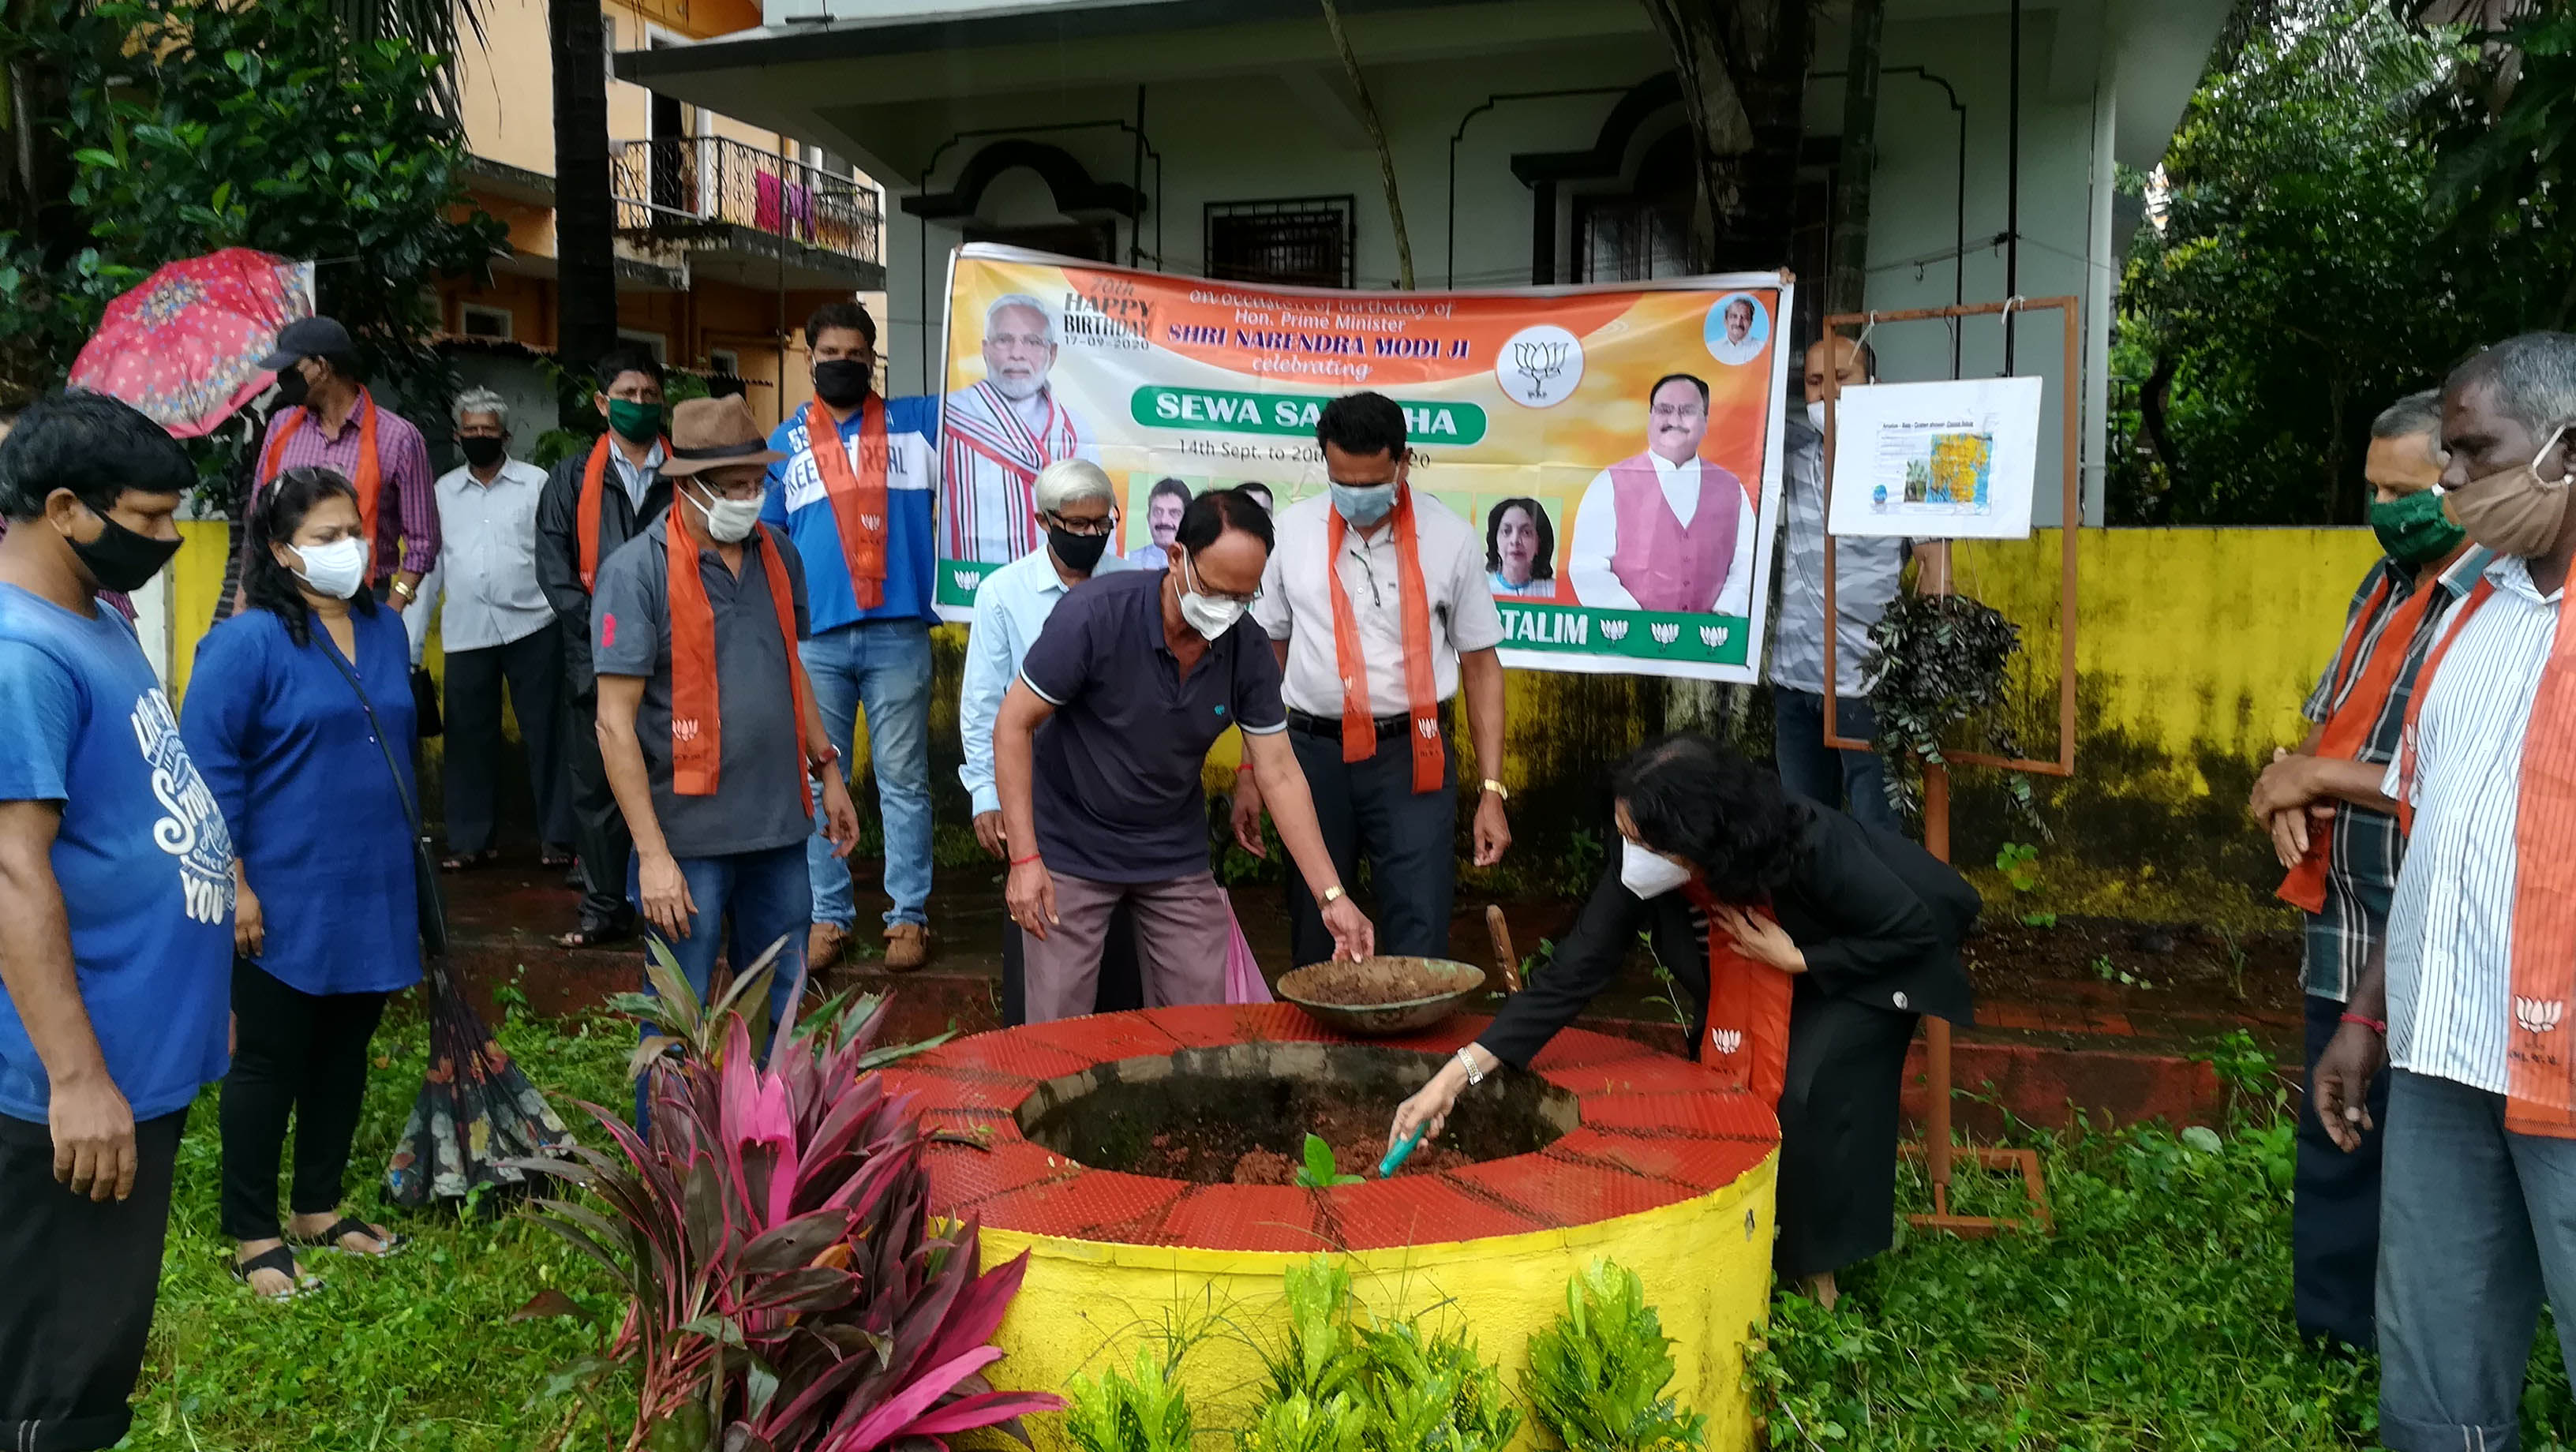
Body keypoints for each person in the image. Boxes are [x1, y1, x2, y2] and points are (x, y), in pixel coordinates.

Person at [1387, 734, 1975, 1308]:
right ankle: (1739, 1234)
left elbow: (1910, 932)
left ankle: (1813, 1276)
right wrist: (1457, 1074)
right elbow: (1574, 971)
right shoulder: (1646, 844)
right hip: (1763, 968)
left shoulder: (1808, 843)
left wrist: (1800, 959)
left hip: (1866, 955)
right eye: (1624, 835)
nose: (1631, 854)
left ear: (1700, 839)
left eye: (1644, 842)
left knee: (1806, 1092)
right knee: (1722, 1089)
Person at [2313, 331, 2576, 1450]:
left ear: (2565, 448)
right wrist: (2368, 1015)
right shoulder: (2469, 614)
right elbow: (2437, 840)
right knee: (2436, 1396)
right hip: (2441, 1064)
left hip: (2564, 1076)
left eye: (2474, 452)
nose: (2451, 479)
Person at [0, 392, 231, 1450]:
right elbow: (12, 871)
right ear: (62, 507)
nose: (169, 537)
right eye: (147, 518)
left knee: (96, 1348)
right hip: (68, 1092)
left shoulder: (92, 616)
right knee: (57, 1380)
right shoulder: (21, 655)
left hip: (137, 1061)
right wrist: (78, 1080)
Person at [2242, 389, 2482, 1355]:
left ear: (2459, 484)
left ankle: (2411, 1336)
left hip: (2426, 909)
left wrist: (2317, 775)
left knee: (2415, 1131)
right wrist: (2291, 782)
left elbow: (2463, 766)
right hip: (2341, 905)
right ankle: (2334, 1334)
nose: (2385, 506)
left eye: (2405, 488)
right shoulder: (2382, 585)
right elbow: (2336, 711)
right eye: (2373, 486)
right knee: (2335, 1112)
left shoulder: (2493, 603)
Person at [994, 487, 1374, 1021]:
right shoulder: (1094, 616)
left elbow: (1281, 773)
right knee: (1056, 1025)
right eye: (1217, 590)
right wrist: (1025, 860)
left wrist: (1331, 895)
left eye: (1243, 598)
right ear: (1176, 558)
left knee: (1201, 1025)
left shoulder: (1245, 646)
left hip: (1173, 855)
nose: (1225, 610)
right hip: (1071, 851)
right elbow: (1013, 724)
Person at [183, 466, 421, 1300]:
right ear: (282, 551)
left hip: (374, 882)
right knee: (270, 1063)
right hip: (282, 888)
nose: (349, 548)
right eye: (326, 537)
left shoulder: (387, 629)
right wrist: (235, 883)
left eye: (354, 531)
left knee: (344, 1054)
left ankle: (318, 1206)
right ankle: (254, 1233)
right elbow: (208, 769)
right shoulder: (245, 644)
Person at [593, 398, 859, 1119]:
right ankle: (667, 1172)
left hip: (777, 830)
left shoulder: (779, 555)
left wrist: (829, 767)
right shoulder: (635, 573)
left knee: (779, 1000)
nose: (749, 497)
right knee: (677, 1018)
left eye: (755, 483)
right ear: (688, 486)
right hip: (688, 844)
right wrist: (651, 856)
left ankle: (761, 1152)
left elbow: (790, 668)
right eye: (733, 485)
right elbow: (614, 726)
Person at [1234, 391, 1512, 968]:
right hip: (1309, 753)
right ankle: (1323, 1054)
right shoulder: (1290, 533)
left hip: (1414, 755)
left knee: (1420, 926)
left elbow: (1481, 666)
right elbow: (1268, 659)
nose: (1357, 495)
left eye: (1372, 482)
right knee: (1318, 927)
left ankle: (1413, 1056)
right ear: (1325, 464)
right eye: (1343, 481)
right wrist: (1249, 770)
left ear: (1403, 463)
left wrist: (1492, 791)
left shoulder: (1450, 539)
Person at [763, 301, 942, 972]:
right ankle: (829, 917)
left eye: (855, 354)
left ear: (873, 359)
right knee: (816, 783)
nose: (842, 363)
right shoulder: (783, 443)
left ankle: (907, 918)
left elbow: (985, 404)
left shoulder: (919, 423)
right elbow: (770, 544)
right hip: (816, 640)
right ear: (809, 358)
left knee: (902, 779)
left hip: (898, 630)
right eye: (829, 353)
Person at [959, 458, 1144, 1024]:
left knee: (1120, 945)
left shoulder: (1131, 585)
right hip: (1037, 787)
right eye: (1077, 525)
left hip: (1117, 790)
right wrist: (986, 793)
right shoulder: (1003, 592)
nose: (1091, 536)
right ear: (1044, 520)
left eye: (1101, 525)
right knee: (1040, 922)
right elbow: (984, 702)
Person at [1771, 336, 1943, 831]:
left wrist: (1921, 672)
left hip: (1868, 685)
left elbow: (1936, 568)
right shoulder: (1794, 457)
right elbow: (1729, 399)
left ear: (1873, 384)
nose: (1828, 396)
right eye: (1815, 383)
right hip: (1795, 679)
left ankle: (1882, 910)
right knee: (1804, 831)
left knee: (1878, 831)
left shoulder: (1908, 463)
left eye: (1843, 380)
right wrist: (1761, 298)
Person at [535, 346, 670, 948]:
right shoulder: (570, 479)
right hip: (596, 654)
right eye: (627, 395)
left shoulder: (682, 473)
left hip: (676, 653)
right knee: (596, 788)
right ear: (601, 403)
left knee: (675, 777)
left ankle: (677, 900)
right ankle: (605, 906)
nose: (639, 405)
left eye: (648, 395)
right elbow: (554, 571)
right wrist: (611, 631)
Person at [432, 387, 575, 871]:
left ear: (506, 435)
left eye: (487, 431)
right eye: (469, 430)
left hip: (534, 622)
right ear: (457, 436)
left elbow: (558, 550)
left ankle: (559, 839)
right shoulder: (443, 492)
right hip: (468, 629)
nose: (478, 437)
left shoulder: (537, 484)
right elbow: (432, 565)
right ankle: (471, 841)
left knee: (549, 734)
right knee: (467, 739)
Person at [234, 316, 438, 617]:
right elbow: (259, 520)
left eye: (292, 369)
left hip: (362, 597)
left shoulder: (399, 438)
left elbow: (424, 540)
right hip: (284, 595)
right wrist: (243, 598)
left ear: (322, 366)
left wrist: (395, 605)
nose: (282, 378)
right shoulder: (281, 427)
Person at [1566, 374, 1756, 616]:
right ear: (1650, 417)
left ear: (1706, 420)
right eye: (1664, 410)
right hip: (1628, 643)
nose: (1674, 420)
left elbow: (1748, 559)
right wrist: (1634, 622)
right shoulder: (1609, 483)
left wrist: (1726, 610)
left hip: (1712, 641)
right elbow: (1588, 566)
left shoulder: (1732, 488)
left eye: (1687, 411)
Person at [942, 292, 1088, 564]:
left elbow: (1098, 518)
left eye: (1033, 341)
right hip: (969, 592)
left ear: (1052, 353)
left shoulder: (1076, 430)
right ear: (985, 349)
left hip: (1056, 592)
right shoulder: (948, 417)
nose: (1017, 354)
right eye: (1004, 340)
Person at [1485, 496, 1557, 598]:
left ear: (1539, 543)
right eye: (1506, 531)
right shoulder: (1480, 589)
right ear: (1495, 541)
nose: (1515, 541)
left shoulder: (1553, 591)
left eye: (1526, 532)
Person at [1125, 476, 1191, 568]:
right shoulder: (1127, 561)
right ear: (1148, 518)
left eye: (1174, 513)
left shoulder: (1201, 563)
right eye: (1158, 512)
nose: (1164, 520)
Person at [1709, 294, 1767, 368]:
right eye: (1734, 316)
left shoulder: (1762, 349)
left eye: (1744, 317)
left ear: (1751, 323)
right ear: (1725, 321)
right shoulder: (1713, 349)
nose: (1738, 323)